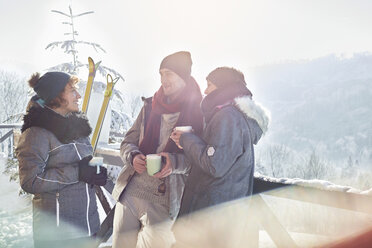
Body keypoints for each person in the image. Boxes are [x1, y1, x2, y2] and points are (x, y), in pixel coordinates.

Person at [111, 51, 203, 248]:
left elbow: (200, 158)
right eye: (161, 74)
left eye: (169, 73)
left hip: (164, 200)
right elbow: (127, 142)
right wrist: (133, 156)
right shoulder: (149, 106)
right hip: (130, 193)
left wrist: (174, 163)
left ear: (183, 76)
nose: (163, 80)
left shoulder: (199, 113)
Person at [170, 67, 270, 247]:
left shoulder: (228, 117)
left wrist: (187, 139)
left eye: (210, 85)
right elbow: (220, 154)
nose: (206, 91)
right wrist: (194, 140)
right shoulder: (237, 117)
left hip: (208, 219)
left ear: (225, 88)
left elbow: (215, 164)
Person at [16, 71, 107, 248]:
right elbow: (30, 181)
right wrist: (78, 173)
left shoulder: (77, 129)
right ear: (56, 96)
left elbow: (83, 165)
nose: (79, 95)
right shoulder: (36, 133)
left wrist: (95, 175)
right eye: (72, 90)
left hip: (87, 227)